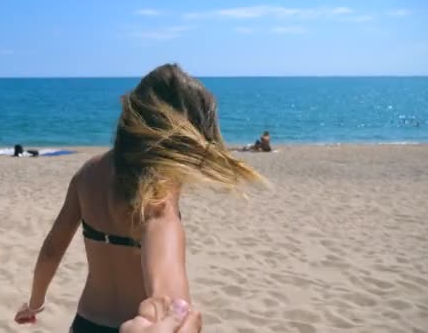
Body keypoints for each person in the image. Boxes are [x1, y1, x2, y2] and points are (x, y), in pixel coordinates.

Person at [14, 64, 264, 332]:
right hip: (138, 323)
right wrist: (168, 311)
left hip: (86, 321)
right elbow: (166, 286)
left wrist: (35, 303)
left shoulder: (86, 174)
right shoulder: (158, 192)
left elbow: (52, 248)